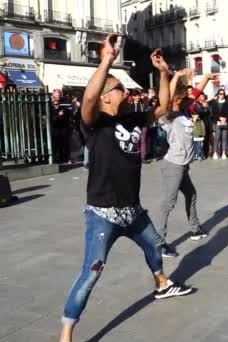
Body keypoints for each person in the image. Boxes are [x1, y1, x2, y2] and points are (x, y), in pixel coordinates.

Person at [59, 36, 192, 342]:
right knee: (91, 273)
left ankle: (161, 283)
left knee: (154, 245)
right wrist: (106, 59)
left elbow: (162, 106)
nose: (126, 92)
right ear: (107, 96)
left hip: (133, 211)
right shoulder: (95, 122)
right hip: (103, 213)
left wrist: (163, 73)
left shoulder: (133, 118)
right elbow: (89, 99)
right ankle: (66, 331)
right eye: (120, 88)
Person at [155, 71, 216, 257]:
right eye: (181, 96)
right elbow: (166, 99)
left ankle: (195, 228)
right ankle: (159, 243)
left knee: (191, 194)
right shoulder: (167, 116)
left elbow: (195, 94)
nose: (186, 98)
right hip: (173, 165)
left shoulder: (183, 111)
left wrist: (205, 78)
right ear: (174, 98)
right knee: (168, 203)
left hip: (183, 165)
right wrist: (174, 77)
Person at [209, 89, 228, 159]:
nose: (222, 95)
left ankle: (224, 152)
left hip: (226, 122)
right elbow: (212, 113)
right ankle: (215, 153)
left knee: (224, 138)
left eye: (223, 94)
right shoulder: (214, 102)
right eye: (220, 93)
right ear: (218, 94)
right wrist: (219, 118)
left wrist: (225, 118)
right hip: (217, 122)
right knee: (217, 138)